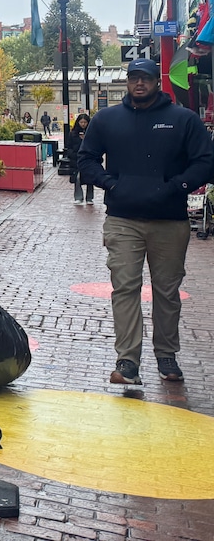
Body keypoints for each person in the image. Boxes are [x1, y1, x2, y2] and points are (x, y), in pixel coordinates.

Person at [77, 57, 214, 386]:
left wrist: (176, 186)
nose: (140, 84)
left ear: (157, 81)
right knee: (125, 289)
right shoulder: (107, 119)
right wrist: (112, 184)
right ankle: (127, 362)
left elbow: (206, 160)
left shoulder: (183, 119)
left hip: (169, 221)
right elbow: (86, 159)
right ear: (127, 81)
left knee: (167, 292)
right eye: (134, 78)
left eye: (146, 78)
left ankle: (166, 354)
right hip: (122, 220)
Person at [66, 112, 96, 206]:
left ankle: (89, 197)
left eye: (85, 122)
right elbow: (69, 146)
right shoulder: (72, 134)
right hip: (76, 159)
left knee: (90, 178)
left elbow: (95, 146)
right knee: (78, 178)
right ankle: (78, 197)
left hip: (89, 158)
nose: (83, 124)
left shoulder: (92, 133)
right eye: (81, 122)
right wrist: (72, 154)